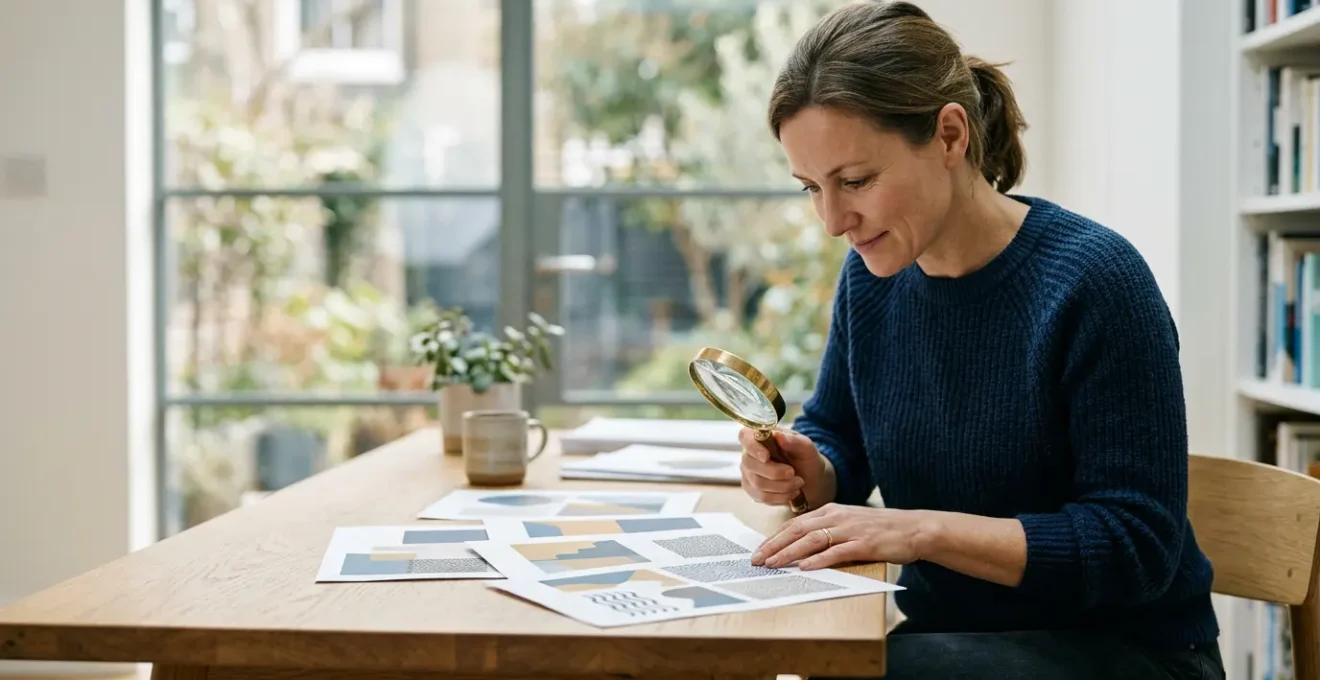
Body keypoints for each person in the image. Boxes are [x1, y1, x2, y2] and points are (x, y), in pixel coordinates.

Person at [737, 2, 1224, 679]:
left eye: (855, 181)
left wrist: (919, 531)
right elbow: (838, 430)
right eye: (811, 188)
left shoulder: (1096, 282)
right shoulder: (874, 276)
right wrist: (810, 467)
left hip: (1128, 652)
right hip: (954, 640)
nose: (832, 220)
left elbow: (1133, 548)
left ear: (949, 135)